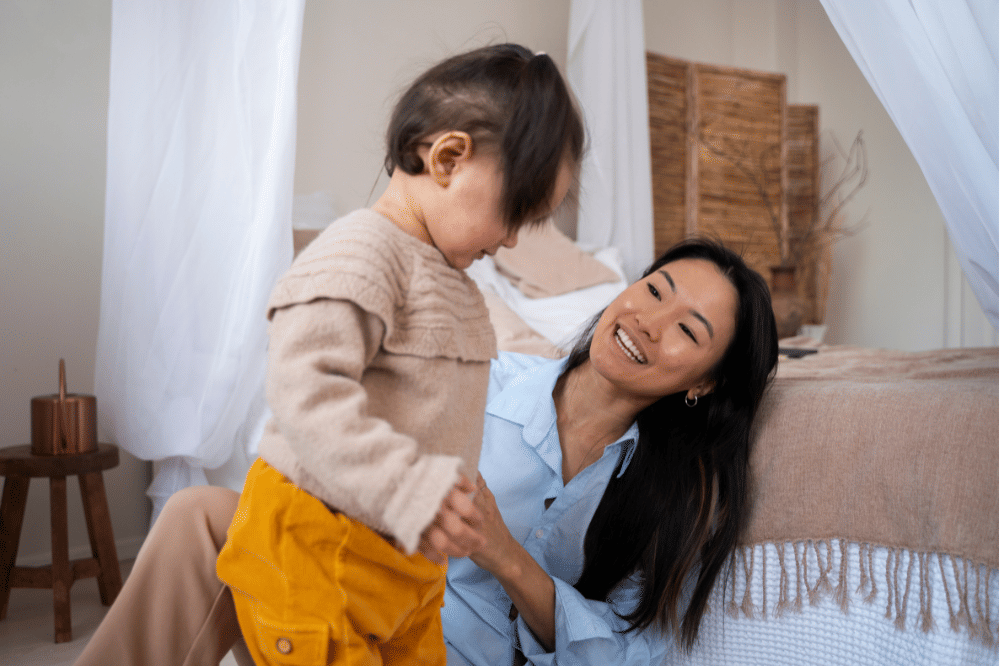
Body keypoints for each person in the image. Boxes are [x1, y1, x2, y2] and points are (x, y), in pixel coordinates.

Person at [75, 237, 779, 666]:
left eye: (686, 329)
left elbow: (632, 656)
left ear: (706, 382)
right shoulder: (480, 381)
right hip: (349, 626)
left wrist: (504, 555)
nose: (647, 322)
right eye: (652, 288)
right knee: (203, 516)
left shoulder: (676, 495)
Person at [205, 43, 584, 666]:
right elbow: (306, 395)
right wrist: (415, 487)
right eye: (514, 212)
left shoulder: (457, 284)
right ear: (448, 158)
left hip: (405, 567)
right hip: (315, 548)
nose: (512, 238)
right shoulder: (361, 249)